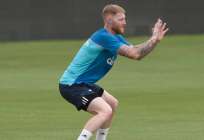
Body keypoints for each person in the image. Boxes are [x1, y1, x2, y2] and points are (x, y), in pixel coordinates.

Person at [58, 4, 168, 140]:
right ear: (109, 20)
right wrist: (153, 39)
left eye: (125, 19)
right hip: (72, 85)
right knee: (105, 110)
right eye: (121, 19)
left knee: (112, 103)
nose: (125, 23)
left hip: (84, 83)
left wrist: (154, 40)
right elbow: (135, 54)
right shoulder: (103, 37)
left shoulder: (115, 38)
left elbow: (136, 49)